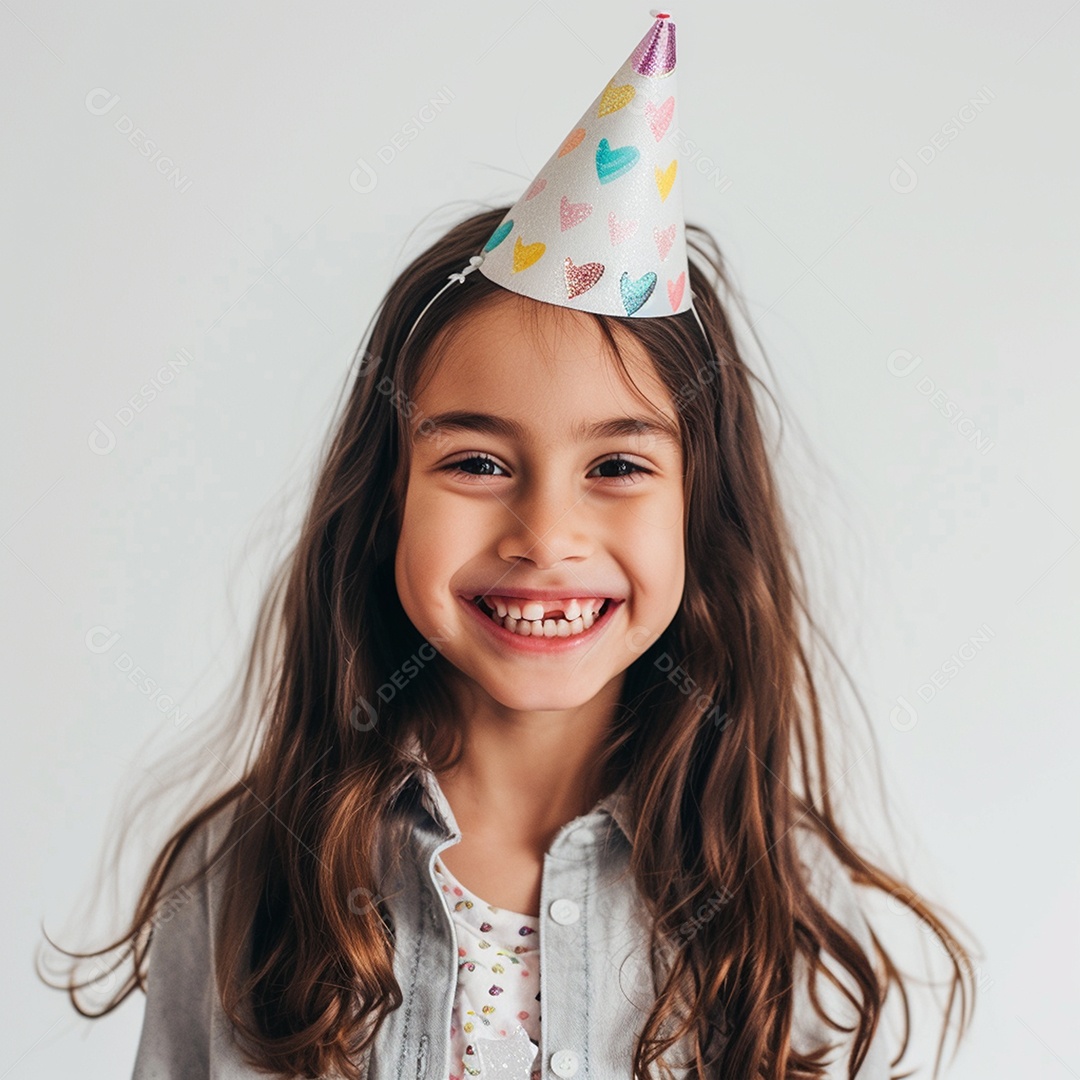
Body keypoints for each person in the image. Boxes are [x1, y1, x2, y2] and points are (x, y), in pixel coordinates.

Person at [40, 11, 979, 1080]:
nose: (545, 537)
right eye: (478, 464)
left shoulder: (780, 898)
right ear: (383, 495)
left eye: (617, 467)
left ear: (701, 518)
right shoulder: (247, 883)